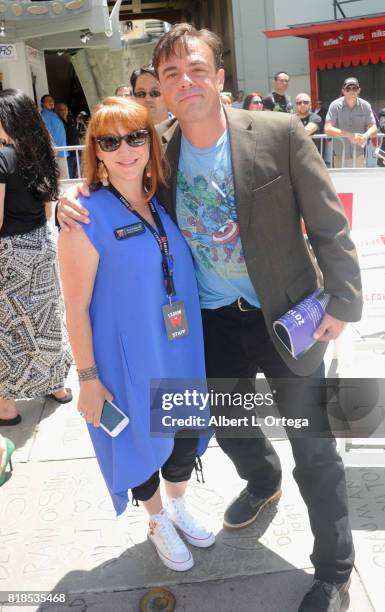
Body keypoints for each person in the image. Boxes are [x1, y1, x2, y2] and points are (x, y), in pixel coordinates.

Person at [58, 24, 362, 612]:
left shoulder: (277, 131)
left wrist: (343, 302)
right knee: (228, 427)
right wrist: (69, 201)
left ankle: (335, 568)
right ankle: (263, 478)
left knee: (316, 449)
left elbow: (328, 223)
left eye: (196, 68)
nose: (186, 82)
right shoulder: (157, 151)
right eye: (171, 74)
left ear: (219, 77)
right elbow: (114, 192)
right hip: (209, 325)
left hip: (289, 318)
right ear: (162, 91)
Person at [57, 96, 215, 572]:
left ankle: (179, 505)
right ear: (96, 151)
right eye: (111, 140)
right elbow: (75, 308)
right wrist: (87, 378)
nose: (125, 149)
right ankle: (155, 519)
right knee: (138, 442)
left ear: (149, 142)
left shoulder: (162, 200)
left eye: (135, 136)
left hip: (179, 349)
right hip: (127, 357)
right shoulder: (83, 216)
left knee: (184, 433)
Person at [0, 89, 72, 426]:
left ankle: (6, 406)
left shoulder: (2, 157)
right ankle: (56, 385)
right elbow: (47, 209)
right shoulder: (42, 153)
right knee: (46, 320)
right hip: (41, 245)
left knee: (8, 329)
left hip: (9, 253)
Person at [324, 77, 377, 167]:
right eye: (348, 89)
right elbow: (327, 128)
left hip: (359, 155)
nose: (351, 91)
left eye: (354, 88)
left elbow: (374, 127)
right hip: (340, 156)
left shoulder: (366, 105)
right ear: (343, 91)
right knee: (341, 181)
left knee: (359, 181)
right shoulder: (335, 105)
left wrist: (365, 136)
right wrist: (350, 135)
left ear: (359, 90)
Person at [40, 94, 68, 179]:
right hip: (56, 153)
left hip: (61, 151)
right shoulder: (45, 115)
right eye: (48, 101)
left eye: (52, 100)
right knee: (62, 180)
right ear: (42, 104)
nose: (51, 102)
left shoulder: (53, 114)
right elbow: (47, 134)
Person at [55, 103, 81, 178]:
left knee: (77, 175)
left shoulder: (71, 119)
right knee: (69, 176)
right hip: (67, 153)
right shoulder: (58, 122)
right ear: (57, 111)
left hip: (77, 151)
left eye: (65, 109)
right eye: (61, 110)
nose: (64, 111)